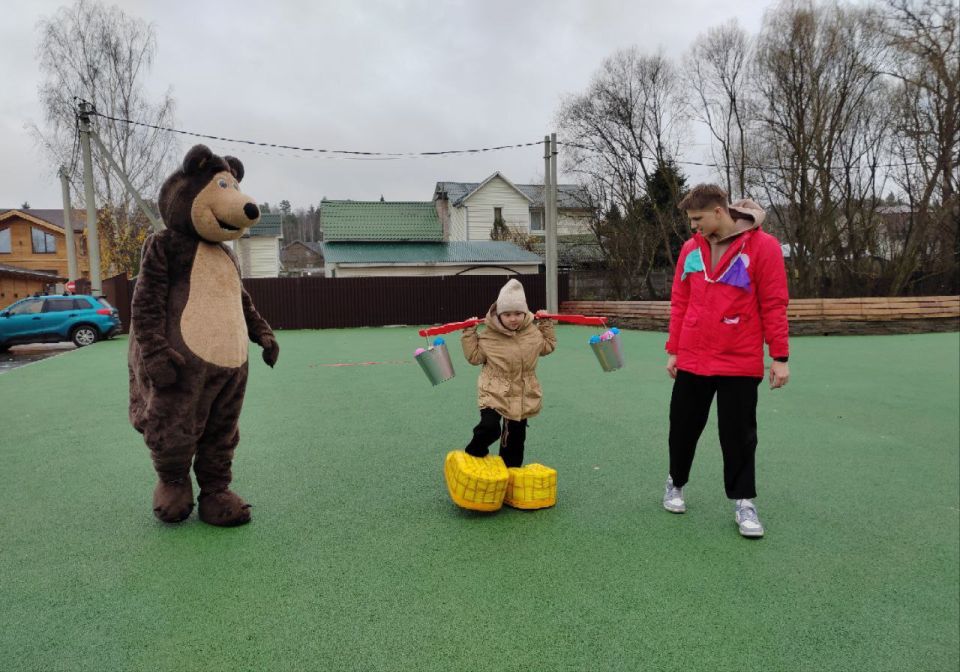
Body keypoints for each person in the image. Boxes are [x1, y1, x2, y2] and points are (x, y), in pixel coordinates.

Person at [663, 184, 790, 538]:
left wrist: (779, 357)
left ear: (719, 212)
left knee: (738, 435)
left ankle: (744, 502)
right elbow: (680, 300)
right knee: (683, 428)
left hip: (739, 358)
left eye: (697, 219)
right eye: (690, 221)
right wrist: (674, 349)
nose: (693, 227)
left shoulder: (764, 247)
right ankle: (675, 482)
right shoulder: (691, 248)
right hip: (693, 357)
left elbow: (774, 303)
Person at [460, 279, 556, 468]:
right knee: (490, 428)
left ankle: (510, 476)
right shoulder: (489, 335)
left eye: (518, 313)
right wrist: (469, 333)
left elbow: (547, 347)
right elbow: (474, 357)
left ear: (525, 312)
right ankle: (474, 452)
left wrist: (546, 324)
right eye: (508, 314)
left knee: (515, 440)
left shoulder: (532, 333)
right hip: (494, 389)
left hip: (522, 390)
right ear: (499, 314)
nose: (513, 318)